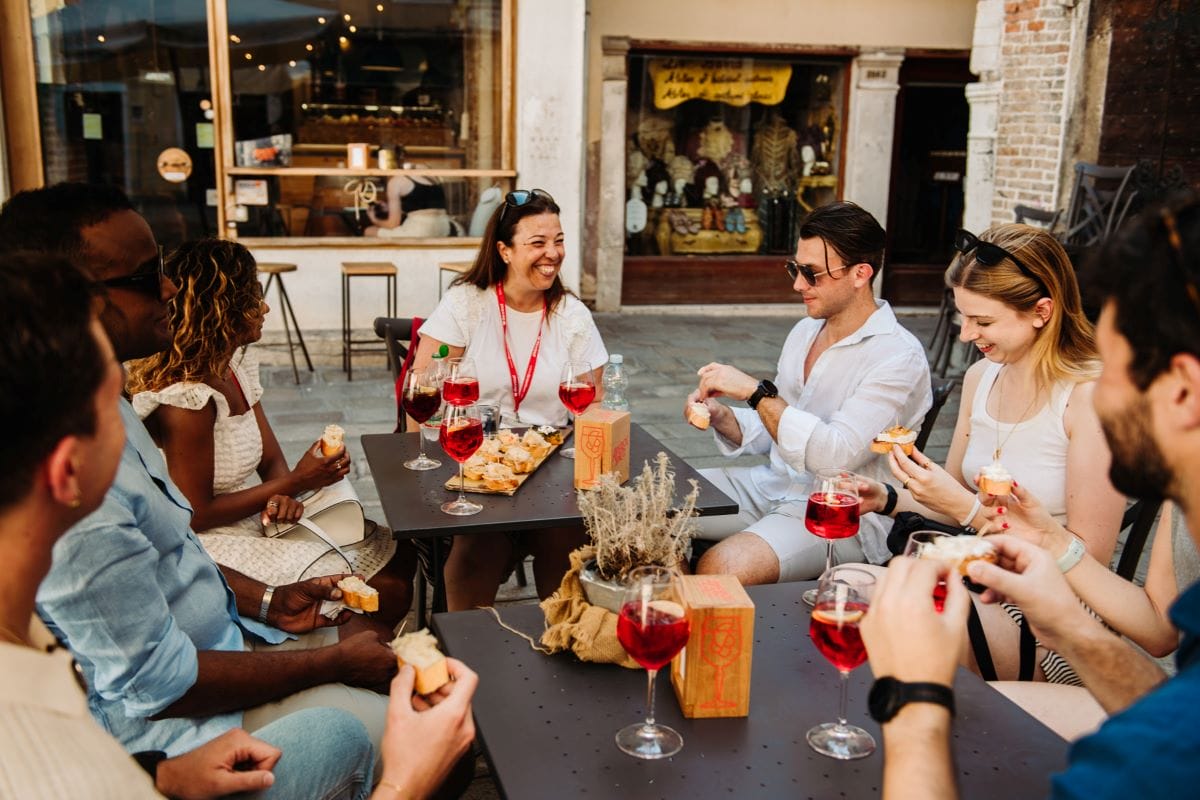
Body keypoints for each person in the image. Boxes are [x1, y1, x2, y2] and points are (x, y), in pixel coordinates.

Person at [0, 184, 399, 764]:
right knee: (421, 724)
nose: (167, 287)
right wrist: (326, 663)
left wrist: (266, 601)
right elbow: (157, 685)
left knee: (385, 620)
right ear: (69, 301)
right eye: (145, 277)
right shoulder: (76, 485)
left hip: (229, 638)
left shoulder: (106, 399)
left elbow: (172, 548)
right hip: (189, 734)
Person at [860, 193, 1200, 799]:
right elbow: (1161, 637)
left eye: (1115, 371)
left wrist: (918, 707)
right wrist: (896, 499)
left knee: (948, 695)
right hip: (1040, 596)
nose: (1104, 392)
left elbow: (1165, 694)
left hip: (1055, 617)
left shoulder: (1082, 395)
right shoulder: (1182, 506)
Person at [858, 224, 1126, 684]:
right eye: (963, 317)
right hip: (976, 569)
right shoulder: (984, 378)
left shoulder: (1088, 398)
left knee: (904, 620)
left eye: (982, 322)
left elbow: (1089, 561)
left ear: (1042, 311)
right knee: (847, 588)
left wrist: (963, 509)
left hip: (1048, 611)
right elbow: (953, 498)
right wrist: (886, 496)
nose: (965, 336)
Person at [126, 239, 417, 634]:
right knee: (388, 589)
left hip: (249, 516)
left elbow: (270, 461)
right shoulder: (187, 400)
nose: (264, 307)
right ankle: (348, 659)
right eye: (252, 296)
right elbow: (194, 513)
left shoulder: (234, 366)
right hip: (210, 540)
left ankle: (362, 651)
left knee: (403, 552)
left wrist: (285, 492)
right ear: (220, 309)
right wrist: (299, 481)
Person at [687, 201, 932, 584]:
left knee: (724, 567)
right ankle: (662, 623)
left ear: (860, 274)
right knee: (645, 504)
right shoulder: (804, 331)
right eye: (795, 268)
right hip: (768, 485)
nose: (798, 284)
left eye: (811, 273)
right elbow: (781, 422)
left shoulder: (898, 357)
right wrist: (725, 417)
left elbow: (832, 457)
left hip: (842, 513)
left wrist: (754, 391)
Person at [410, 188, 609, 609]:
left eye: (558, 240)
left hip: (552, 468)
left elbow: (594, 406)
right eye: (537, 243)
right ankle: (464, 659)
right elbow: (423, 386)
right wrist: (429, 468)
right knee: (475, 556)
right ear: (503, 250)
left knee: (568, 547)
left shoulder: (571, 315)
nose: (552, 253)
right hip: (479, 463)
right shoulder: (467, 303)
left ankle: (562, 647)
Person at [365, 174, 452, 238]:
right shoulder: (429, 175)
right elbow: (422, 203)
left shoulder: (395, 182)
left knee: (369, 231)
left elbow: (393, 225)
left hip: (420, 231)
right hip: (444, 227)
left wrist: (374, 219)